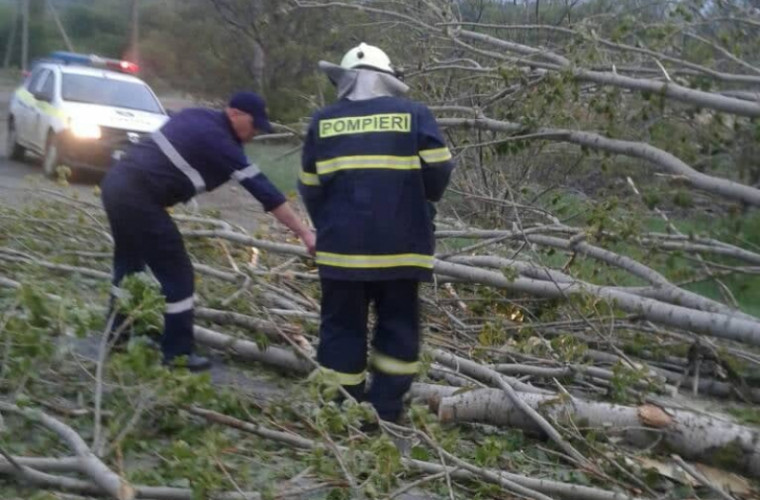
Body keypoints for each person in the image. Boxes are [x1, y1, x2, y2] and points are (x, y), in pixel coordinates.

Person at [102, 91, 316, 372]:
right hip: (140, 198)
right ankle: (177, 355)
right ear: (235, 113)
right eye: (253, 126)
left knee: (128, 266)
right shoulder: (220, 142)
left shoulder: (195, 116)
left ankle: (117, 336)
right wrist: (305, 233)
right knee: (178, 276)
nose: (253, 135)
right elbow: (266, 192)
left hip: (116, 186)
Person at [298, 43, 455, 423]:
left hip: (341, 253)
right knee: (398, 330)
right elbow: (439, 171)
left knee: (340, 330)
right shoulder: (414, 114)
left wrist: (333, 226)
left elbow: (309, 187)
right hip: (401, 250)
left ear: (345, 81)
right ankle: (385, 410)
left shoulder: (323, 122)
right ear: (387, 80)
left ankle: (339, 410)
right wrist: (421, 204)